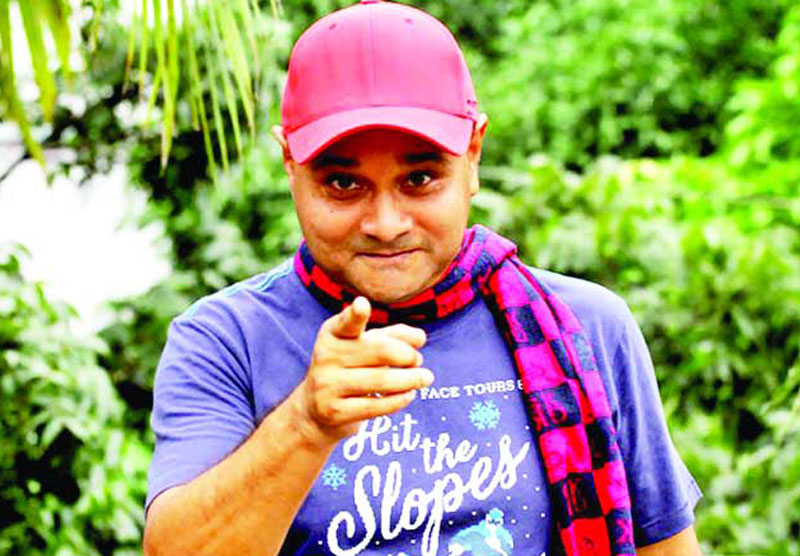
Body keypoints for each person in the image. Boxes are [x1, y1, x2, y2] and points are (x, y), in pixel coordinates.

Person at [142, 1, 702, 555]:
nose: (386, 225)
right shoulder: (225, 340)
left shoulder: (588, 327)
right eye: (343, 184)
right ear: (290, 162)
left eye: (420, 179)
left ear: (473, 154)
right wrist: (305, 425)